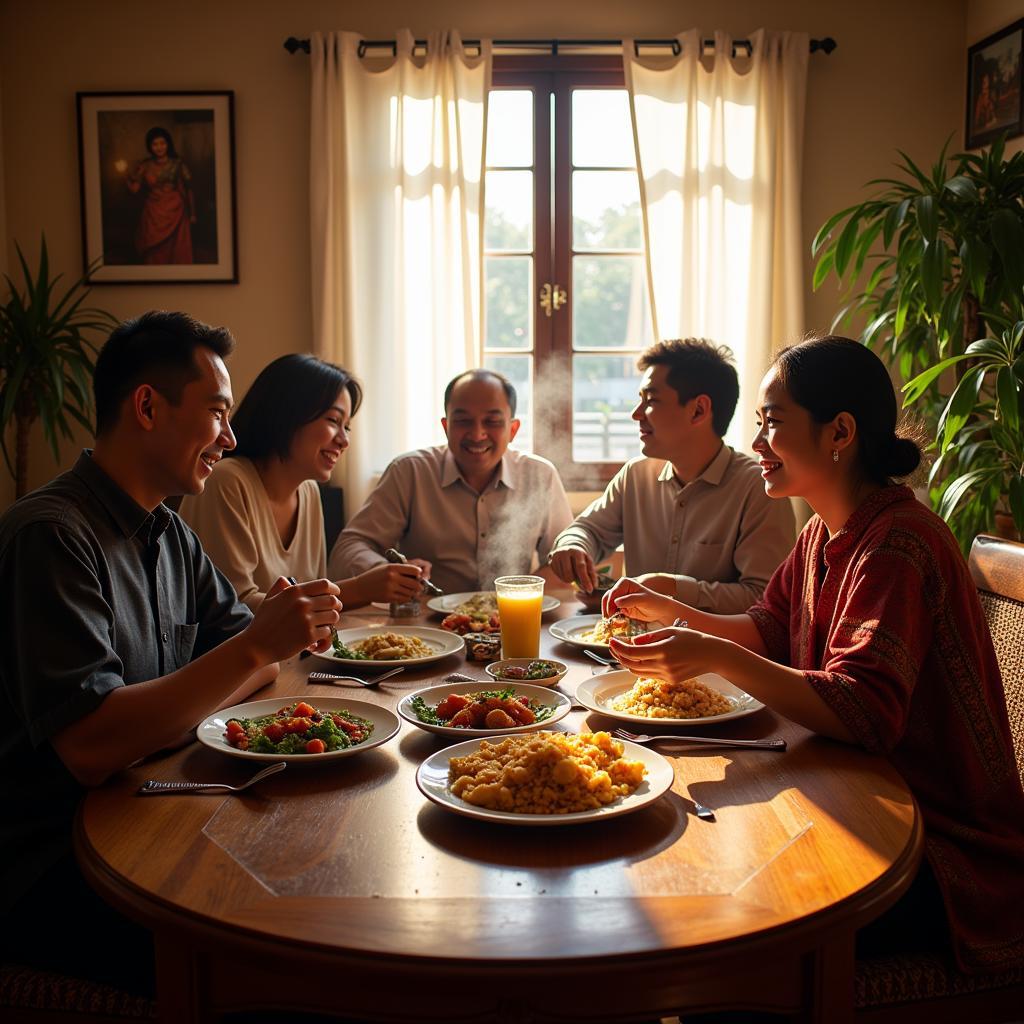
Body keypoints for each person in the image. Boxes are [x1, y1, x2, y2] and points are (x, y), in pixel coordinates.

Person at [604, 336, 1024, 975]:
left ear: (840, 432)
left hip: (936, 848)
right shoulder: (824, 530)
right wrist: (673, 615)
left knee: (723, 941)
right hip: (851, 795)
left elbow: (863, 711)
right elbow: (770, 626)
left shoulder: (898, 546)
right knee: (680, 882)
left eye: (772, 423)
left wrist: (708, 654)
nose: (756, 443)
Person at [0, 312, 342, 993]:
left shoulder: (171, 534)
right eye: (217, 412)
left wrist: (253, 649)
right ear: (149, 407)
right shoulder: (52, 537)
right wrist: (250, 647)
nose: (232, 436)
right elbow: (91, 747)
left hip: (154, 812)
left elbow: (261, 662)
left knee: (330, 873)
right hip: (56, 863)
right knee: (297, 959)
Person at [548, 339, 794, 613]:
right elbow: (588, 530)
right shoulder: (635, 475)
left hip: (714, 653)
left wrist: (671, 590)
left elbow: (764, 600)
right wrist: (573, 545)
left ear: (699, 410)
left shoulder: (759, 489)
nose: (636, 414)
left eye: (651, 400)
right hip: (631, 646)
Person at [180, 354, 425, 610]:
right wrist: (359, 588)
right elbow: (235, 609)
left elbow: (311, 594)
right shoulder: (227, 481)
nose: (344, 440)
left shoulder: (308, 491)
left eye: (347, 427)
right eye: (333, 420)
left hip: (296, 650)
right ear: (287, 414)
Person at [329, 368, 573, 594]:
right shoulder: (410, 472)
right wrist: (384, 571)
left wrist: (516, 598)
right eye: (463, 421)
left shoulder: (540, 476)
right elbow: (349, 547)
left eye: (492, 421)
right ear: (446, 426)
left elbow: (562, 563)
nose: (477, 434)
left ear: (513, 429)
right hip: (426, 628)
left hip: (510, 619)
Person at [124, 126, 195, 264]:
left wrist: (192, 213)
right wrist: (125, 174)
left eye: (162, 143)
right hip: (152, 214)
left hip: (176, 212)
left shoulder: (178, 164)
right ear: (150, 146)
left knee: (176, 251)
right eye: (155, 144)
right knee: (154, 254)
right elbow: (134, 189)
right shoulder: (145, 165)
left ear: (168, 144)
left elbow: (188, 189)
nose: (159, 147)